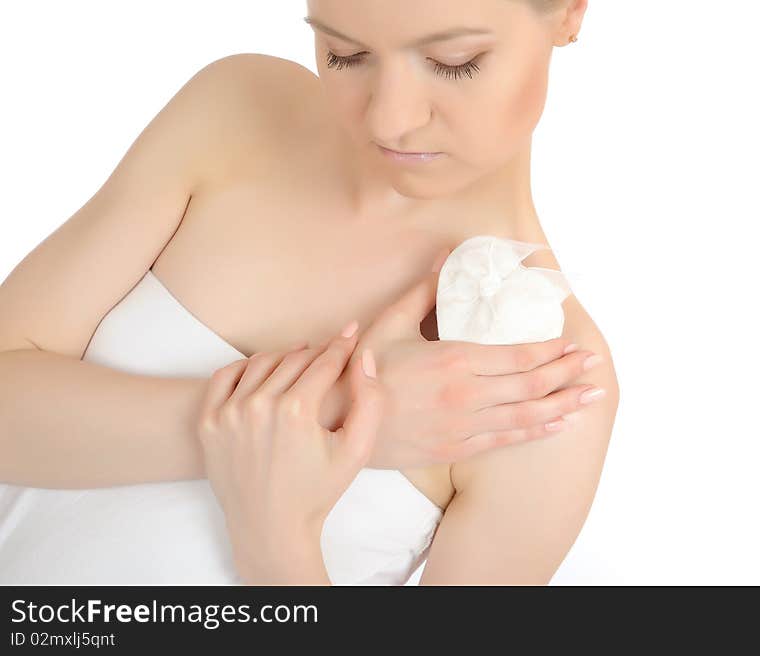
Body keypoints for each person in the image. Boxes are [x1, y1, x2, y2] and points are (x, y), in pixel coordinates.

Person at [0, 0, 618, 584]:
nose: (389, 118)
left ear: (567, 10)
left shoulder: (546, 386)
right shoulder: (237, 112)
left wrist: (279, 542)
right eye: (346, 53)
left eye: (454, 62)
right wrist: (334, 418)